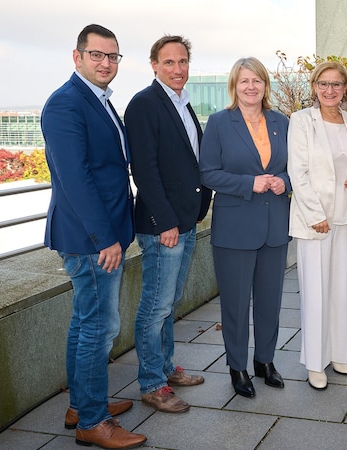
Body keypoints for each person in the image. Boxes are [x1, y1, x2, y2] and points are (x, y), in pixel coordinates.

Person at [41, 24, 146, 448]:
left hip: (99, 234)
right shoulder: (66, 104)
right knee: (100, 326)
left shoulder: (97, 99)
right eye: (97, 55)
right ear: (77, 56)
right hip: (90, 240)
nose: (106, 63)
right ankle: (92, 422)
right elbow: (76, 179)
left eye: (112, 57)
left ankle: (82, 404)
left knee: (85, 322)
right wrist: (105, 238)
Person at [125, 35, 212, 413]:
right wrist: (164, 222)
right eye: (169, 62)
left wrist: (197, 208)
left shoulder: (182, 103)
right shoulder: (145, 104)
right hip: (164, 227)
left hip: (185, 221)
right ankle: (151, 383)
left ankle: (164, 366)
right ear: (154, 65)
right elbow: (144, 170)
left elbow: (190, 160)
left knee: (170, 302)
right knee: (155, 306)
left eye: (183, 62)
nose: (177, 69)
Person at [199, 57, 291, 399]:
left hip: (275, 226)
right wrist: (248, 183)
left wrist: (285, 180)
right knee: (236, 305)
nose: (251, 87)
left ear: (266, 86)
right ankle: (237, 366)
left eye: (257, 81)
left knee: (270, 300)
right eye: (244, 81)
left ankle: (264, 362)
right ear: (234, 86)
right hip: (235, 227)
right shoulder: (220, 123)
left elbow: (299, 167)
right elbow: (207, 172)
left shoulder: (282, 122)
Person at [287, 62, 347, 390]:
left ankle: (337, 354)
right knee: (315, 291)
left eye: (336, 84)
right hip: (315, 220)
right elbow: (298, 171)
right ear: (314, 87)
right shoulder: (302, 120)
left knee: (340, 290)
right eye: (324, 84)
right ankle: (315, 362)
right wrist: (314, 213)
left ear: (345, 88)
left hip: (345, 216)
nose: (330, 90)